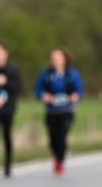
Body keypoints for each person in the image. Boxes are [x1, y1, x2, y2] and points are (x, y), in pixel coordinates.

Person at [35, 48, 84, 176]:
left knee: (61, 136)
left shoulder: (72, 74)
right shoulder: (46, 74)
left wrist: (75, 96)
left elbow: (79, 90)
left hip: (66, 110)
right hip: (51, 111)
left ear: (64, 59)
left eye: (58, 58)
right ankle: (56, 156)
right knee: (52, 138)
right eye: (53, 58)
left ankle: (60, 161)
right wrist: (44, 96)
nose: (55, 61)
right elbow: (38, 89)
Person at [0, 42, 22, 178]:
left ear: (5, 53)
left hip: (8, 107)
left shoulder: (13, 69)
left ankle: (8, 166)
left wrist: (5, 82)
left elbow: (17, 88)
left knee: (7, 135)